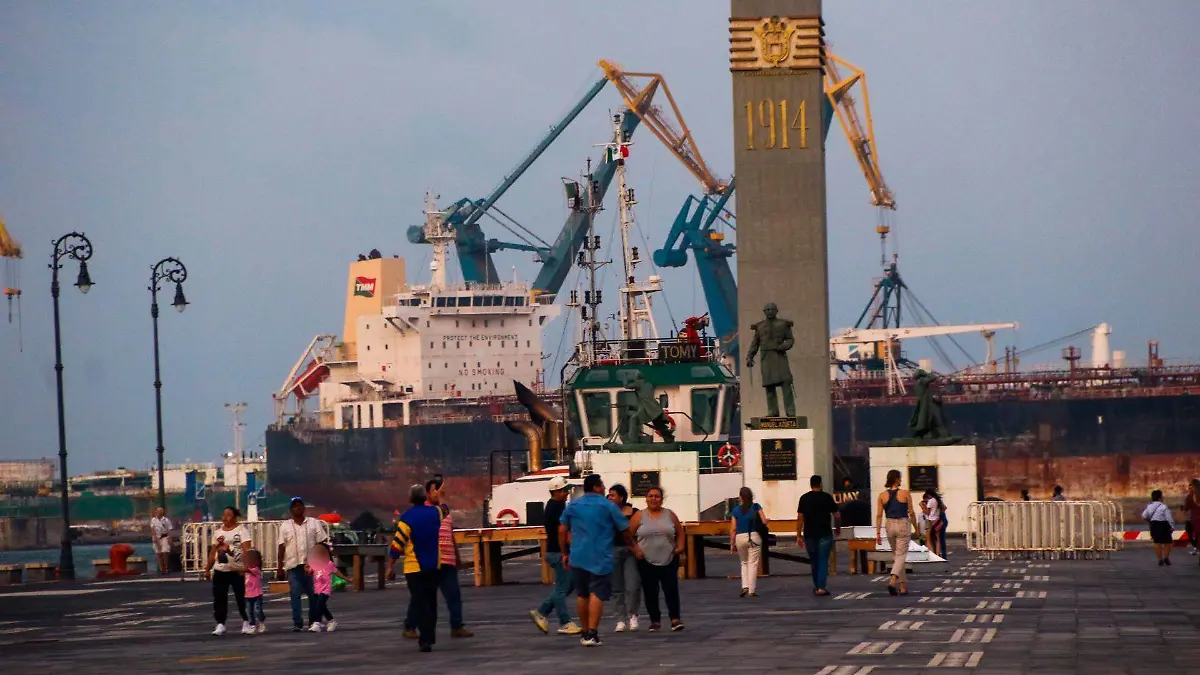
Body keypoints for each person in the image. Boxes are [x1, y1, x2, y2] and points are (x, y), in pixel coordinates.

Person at [560, 473, 639, 647]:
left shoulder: (573, 505)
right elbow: (624, 529)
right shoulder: (607, 506)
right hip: (600, 556)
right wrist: (633, 545)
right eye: (602, 485)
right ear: (596, 487)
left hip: (578, 555)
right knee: (596, 593)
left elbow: (562, 529)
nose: (604, 488)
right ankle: (592, 633)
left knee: (582, 594)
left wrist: (564, 552)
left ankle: (585, 630)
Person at [399, 478, 473, 638]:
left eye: (440, 490)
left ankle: (457, 625)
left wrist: (457, 558)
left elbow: (450, 535)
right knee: (421, 597)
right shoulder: (425, 512)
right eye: (435, 490)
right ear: (426, 493)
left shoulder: (444, 513)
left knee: (454, 594)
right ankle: (410, 626)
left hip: (447, 560)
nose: (438, 493)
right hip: (430, 561)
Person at [391, 484, 443, 652]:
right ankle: (430, 637)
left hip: (414, 567)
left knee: (420, 604)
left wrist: (389, 567)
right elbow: (445, 509)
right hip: (434, 565)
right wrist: (439, 495)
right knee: (432, 602)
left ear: (410, 498)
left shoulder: (406, 518)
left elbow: (397, 546)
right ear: (425, 496)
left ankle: (424, 640)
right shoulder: (437, 513)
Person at [530, 477, 583, 635]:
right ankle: (564, 622)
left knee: (569, 584)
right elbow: (563, 531)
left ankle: (542, 612)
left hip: (556, 551)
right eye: (565, 490)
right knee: (562, 588)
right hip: (559, 552)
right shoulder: (558, 507)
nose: (567, 493)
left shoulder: (554, 505)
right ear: (557, 491)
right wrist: (566, 551)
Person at [630, 485, 685, 631]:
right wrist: (636, 550)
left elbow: (680, 532)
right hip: (646, 560)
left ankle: (675, 619)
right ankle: (655, 620)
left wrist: (680, 547)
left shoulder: (670, 514)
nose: (653, 499)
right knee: (650, 591)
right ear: (646, 499)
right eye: (650, 496)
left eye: (657, 496)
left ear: (662, 499)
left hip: (669, 558)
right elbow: (628, 536)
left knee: (671, 589)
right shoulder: (639, 516)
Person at [276, 497, 329, 632]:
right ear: (291, 510)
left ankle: (313, 621)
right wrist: (279, 568)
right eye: (295, 506)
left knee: (314, 595)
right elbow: (281, 547)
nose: (298, 508)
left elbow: (321, 543)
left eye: (300, 505)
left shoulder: (314, 523)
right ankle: (297, 623)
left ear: (304, 508)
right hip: (293, 565)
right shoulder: (285, 526)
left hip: (312, 565)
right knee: (295, 594)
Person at [205, 506, 252, 636]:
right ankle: (220, 624)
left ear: (235, 517)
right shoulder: (217, 533)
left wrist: (247, 568)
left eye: (228, 515)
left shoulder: (242, 531)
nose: (225, 518)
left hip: (237, 570)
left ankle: (246, 622)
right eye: (223, 515)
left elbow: (247, 550)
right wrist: (207, 569)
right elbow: (213, 552)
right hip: (220, 570)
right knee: (219, 597)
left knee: (241, 597)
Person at [875, 470, 918, 596]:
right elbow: (912, 512)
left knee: (897, 557)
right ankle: (892, 581)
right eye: (900, 478)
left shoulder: (882, 495)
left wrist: (878, 532)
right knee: (901, 556)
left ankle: (903, 587)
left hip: (889, 524)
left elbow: (878, 515)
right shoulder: (905, 493)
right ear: (897, 479)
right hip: (902, 524)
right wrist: (916, 528)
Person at [797, 475, 841, 596]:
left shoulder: (804, 498)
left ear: (811, 485)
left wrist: (798, 535)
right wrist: (837, 527)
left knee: (814, 561)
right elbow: (836, 515)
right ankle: (821, 587)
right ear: (820, 484)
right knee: (822, 560)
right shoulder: (827, 497)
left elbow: (800, 518)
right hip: (825, 533)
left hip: (809, 534)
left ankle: (817, 586)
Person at [607, 484, 641, 632]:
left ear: (621, 497)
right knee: (616, 587)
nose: (609, 498)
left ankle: (632, 613)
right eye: (608, 495)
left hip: (629, 550)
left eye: (612, 495)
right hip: (612, 550)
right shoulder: (606, 513)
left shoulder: (634, 512)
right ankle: (620, 619)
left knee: (633, 585)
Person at [730, 486, 767, 597]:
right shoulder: (756, 507)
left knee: (744, 562)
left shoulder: (736, 510)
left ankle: (744, 586)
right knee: (753, 564)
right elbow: (764, 521)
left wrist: (732, 543)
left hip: (740, 537)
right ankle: (751, 590)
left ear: (741, 497)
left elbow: (733, 528)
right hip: (754, 536)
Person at [306, 543, 338, 632]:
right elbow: (309, 571)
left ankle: (317, 623)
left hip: (326, 589)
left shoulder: (329, 563)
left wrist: (346, 578)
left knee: (320, 604)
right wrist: (307, 568)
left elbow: (336, 571)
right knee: (321, 606)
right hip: (317, 588)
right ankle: (331, 621)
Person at [1143, 489, 1175, 566]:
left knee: (1157, 542)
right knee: (1168, 542)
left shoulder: (1149, 506)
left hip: (1154, 525)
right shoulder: (1164, 507)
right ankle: (1166, 557)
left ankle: (1160, 559)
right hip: (1164, 525)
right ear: (1160, 498)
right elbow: (1169, 517)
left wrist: (1149, 522)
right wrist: (1172, 526)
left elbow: (1144, 516)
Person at [243, 549, 266, 634]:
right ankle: (252, 625)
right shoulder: (247, 571)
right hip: (248, 594)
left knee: (258, 610)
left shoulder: (256, 570)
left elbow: (246, 570)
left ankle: (261, 621)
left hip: (257, 594)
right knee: (249, 611)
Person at [150, 507, 172, 575]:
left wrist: (170, 538)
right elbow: (152, 529)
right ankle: (161, 569)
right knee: (158, 553)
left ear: (162, 512)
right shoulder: (153, 520)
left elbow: (169, 529)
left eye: (159, 511)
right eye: (157, 511)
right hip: (156, 537)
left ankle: (166, 568)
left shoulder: (166, 520)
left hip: (164, 537)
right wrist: (155, 537)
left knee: (165, 552)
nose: (157, 512)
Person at [1181, 482, 1197, 556]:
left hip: (1194, 519)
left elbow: (1185, 508)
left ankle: (1196, 548)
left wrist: (1184, 510)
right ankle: (1196, 547)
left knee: (1195, 535)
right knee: (1190, 534)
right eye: (1189, 488)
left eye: (1191, 488)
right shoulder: (1188, 497)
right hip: (1190, 519)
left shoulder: (1194, 497)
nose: (1190, 489)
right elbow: (1185, 508)